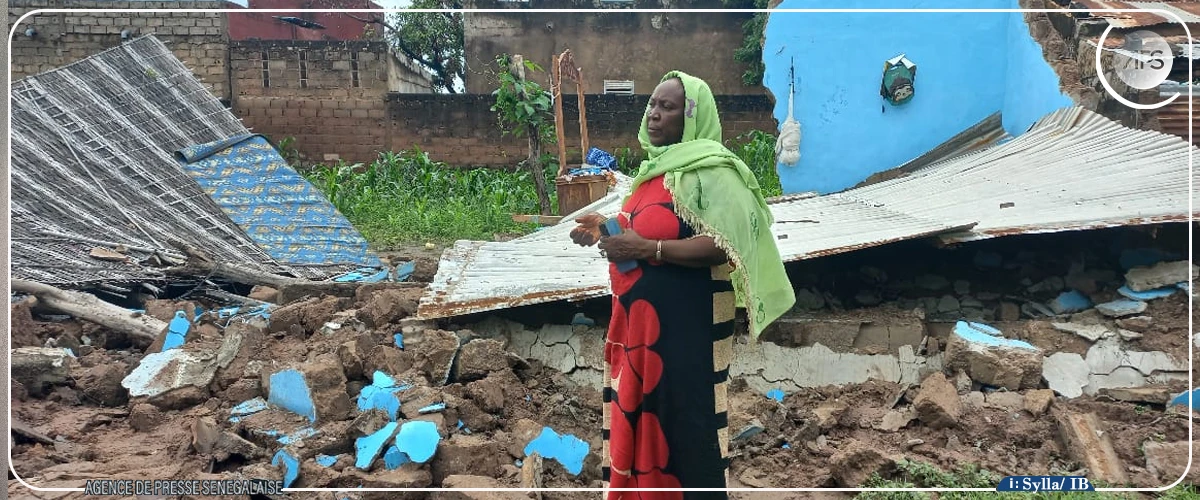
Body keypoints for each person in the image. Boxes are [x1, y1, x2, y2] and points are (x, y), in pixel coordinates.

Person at [570, 71, 796, 499]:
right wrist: (606, 228)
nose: (654, 115)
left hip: (684, 330)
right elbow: (645, 229)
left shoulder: (715, 172)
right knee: (643, 415)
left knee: (685, 424)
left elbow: (726, 245)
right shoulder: (653, 173)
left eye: (667, 107)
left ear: (692, 117)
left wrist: (651, 248)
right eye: (652, 104)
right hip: (639, 332)